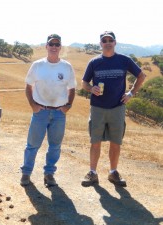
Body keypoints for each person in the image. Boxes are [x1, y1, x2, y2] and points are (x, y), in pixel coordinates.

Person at [81, 31, 146, 187]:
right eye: (105, 40)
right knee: (95, 141)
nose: (108, 42)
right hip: (97, 108)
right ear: (100, 44)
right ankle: (93, 173)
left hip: (117, 107)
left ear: (115, 42)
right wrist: (91, 89)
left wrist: (131, 93)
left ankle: (113, 172)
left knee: (116, 142)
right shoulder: (94, 62)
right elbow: (84, 83)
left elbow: (141, 76)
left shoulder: (124, 60)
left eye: (111, 40)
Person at [20, 34, 77, 187]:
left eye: (57, 44)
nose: (54, 47)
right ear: (46, 46)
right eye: (51, 44)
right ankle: (26, 173)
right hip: (40, 112)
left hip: (59, 113)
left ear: (60, 47)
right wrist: (33, 105)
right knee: (32, 145)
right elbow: (28, 86)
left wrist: (68, 105)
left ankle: (49, 174)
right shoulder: (38, 65)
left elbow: (72, 88)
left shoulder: (66, 67)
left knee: (55, 146)